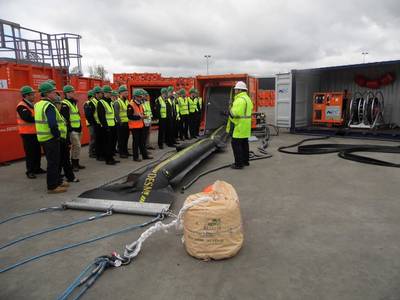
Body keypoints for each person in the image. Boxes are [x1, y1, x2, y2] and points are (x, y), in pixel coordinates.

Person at [34, 82, 68, 193]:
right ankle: (52, 186)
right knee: (53, 163)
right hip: (51, 138)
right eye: (53, 92)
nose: (55, 94)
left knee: (53, 161)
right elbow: (53, 124)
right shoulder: (49, 105)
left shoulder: (38, 104)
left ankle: (57, 181)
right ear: (47, 93)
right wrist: (57, 136)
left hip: (43, 138)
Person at [16, 85, 45, 179]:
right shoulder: (21, 106)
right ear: (26, 96)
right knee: (30, 153)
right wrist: (40, 118)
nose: (34, 96)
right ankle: (30, 171)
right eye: (32, 94)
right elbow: (27, 118)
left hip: (34, 133)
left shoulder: (32, 105)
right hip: (27, 134)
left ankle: (37, 168)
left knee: (37, 152)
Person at [226, 81, 253, 169]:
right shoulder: (247, 99)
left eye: (236, 89)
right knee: (244, 144)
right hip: (246, 126)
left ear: (240, 90)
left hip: (239, 125)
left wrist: (229, 111)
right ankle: (245, 161)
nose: (235, 91)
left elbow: (235, 113)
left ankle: (238, 164)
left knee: (236, 144)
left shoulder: (239, 100)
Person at [61, 85, 85, 172]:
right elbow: (65, 118)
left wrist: (80, 126)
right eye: (71, 92)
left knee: (77, 147)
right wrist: (69, 129)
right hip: (72, 129)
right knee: (76, 146)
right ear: (66, 93)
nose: (73, 93)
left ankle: (76, 163)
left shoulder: (74, 102)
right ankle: (74, 164)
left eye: (73, 91)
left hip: (78, 127)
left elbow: (77, 115)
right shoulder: (64, 103)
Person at [54, 98, 79, 184]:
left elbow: (65, 128)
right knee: (60, 160)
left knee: (65, 160)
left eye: (60, 104)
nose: (60, 106)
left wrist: (67, 141)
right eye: (58, 104)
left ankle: (69, 177)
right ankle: (61, 178)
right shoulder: (54, 115)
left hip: (63, 140)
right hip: (58, 140)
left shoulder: (60, 114)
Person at [128, 89, 153, 161]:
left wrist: (144, 116)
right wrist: (140, 117)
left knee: (142, 141)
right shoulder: (131, 105)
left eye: (141, 97)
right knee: (136, 142)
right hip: (134, 127)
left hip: (141, 125)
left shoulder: (140, 104)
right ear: (135, 97)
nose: (140, 98)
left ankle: (145, 155)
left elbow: (141, 113)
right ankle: (135, 157)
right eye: (139, 97)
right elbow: (130, 116)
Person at [97, 85, 119, 165]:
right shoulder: (101, 103)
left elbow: (112, 115)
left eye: (110, 92)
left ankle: (112, 157)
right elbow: (101, 116)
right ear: (104, 93)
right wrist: (106, 127)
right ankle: (108, 159)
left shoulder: (110, 102)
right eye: (109, 92)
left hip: (113, 126)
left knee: (112, 143)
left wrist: (115, 123)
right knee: (107, 144)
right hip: (107, 127)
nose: (110, 94)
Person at [114, 85, 130, 158]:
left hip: (127, 123)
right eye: (125, 92)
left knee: (126, 138)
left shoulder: (126, 101)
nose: (127, 93)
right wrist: (120, 122)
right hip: (121, 124)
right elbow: (116, 114)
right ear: (120, 93)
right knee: (121, 139)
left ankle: (126, 151)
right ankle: (121, 153)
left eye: (127, 92)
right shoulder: (117, 102)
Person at [83, 90, 97, 158]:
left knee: (94, 137)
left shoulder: (89, 103)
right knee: (93, 137)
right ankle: (91, 152)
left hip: (92, 123)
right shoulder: (87, 103)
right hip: (90, 123)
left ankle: (94, 151)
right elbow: (88, 115)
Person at [110, 90, 119, 154]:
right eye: (114, 96)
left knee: (115, 137)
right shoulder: (111, 103)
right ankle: (112, 149)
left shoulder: (114, 103)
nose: (116, 97)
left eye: (116, 96)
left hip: (115, 122)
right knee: (112, 138)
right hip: (111, 122)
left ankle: (114, 149)